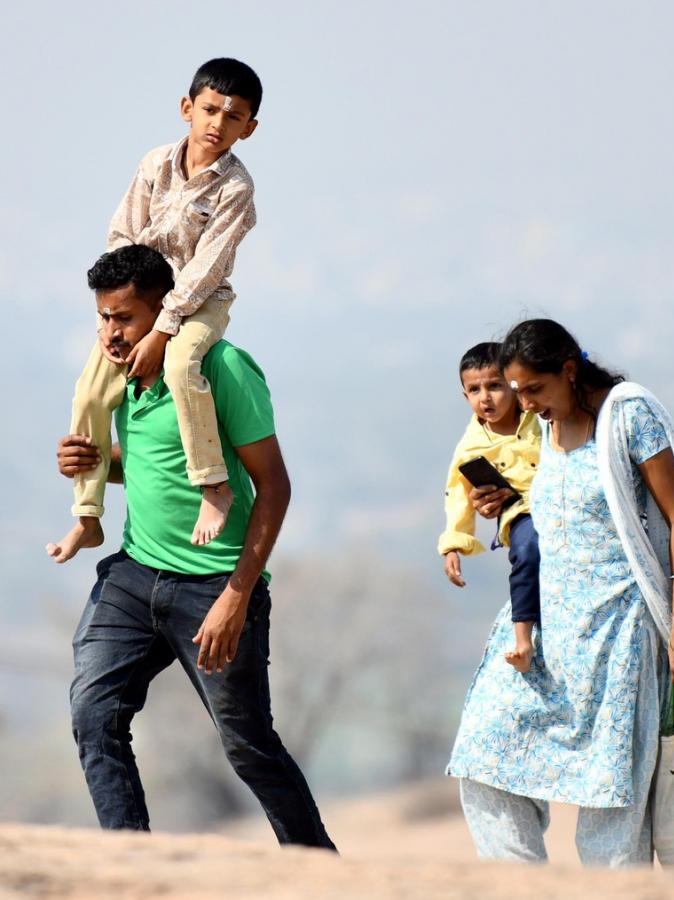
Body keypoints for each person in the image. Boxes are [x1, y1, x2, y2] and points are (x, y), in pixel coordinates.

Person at [54, 245, 336, 849]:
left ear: (165, 314)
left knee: (248, 745)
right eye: (103, 317)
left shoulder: (222, 368)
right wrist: (96, 465)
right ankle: (131, 862)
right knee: (93, 716)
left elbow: (275, 487)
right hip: (133, 576)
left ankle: (318, 868)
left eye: (124, 318)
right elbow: (153, 468)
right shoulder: (117, 378)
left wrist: (236, 596)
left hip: (216, 585)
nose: (110, 333)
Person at [447, 318, 674, 866]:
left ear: (569, 370)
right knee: (483, 757)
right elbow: (552, 506)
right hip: (541, 625)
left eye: (535, 389)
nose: (527, 403)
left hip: (620, 630)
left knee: (612, 800)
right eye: (518, 392)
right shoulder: (542, 426)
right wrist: (505, 501)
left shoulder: (627, 414)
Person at [48, 57, 261, 564]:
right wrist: (121, 305)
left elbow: (206, 269)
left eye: (233, 118)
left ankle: (214, 486)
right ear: (188, 108)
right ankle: (87, 516)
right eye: (209, 110)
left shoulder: (236, 189)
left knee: (182, 365)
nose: (217, 124)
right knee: (91, 391)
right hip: (139, 299)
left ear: (248, 129)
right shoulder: (155, 164)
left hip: (198, 303)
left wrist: (164, 330)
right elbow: (122, 233)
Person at [438, 342, 542, 672]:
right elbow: (457, 493)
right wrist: (453, 545)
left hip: (562, 503)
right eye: (474, 389)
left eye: (494, 386)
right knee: (527, 553)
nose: (485, 397)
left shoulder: (540, 418)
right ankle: (523, 640)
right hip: (521, 514)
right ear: (464, 395)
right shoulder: (471, 447)